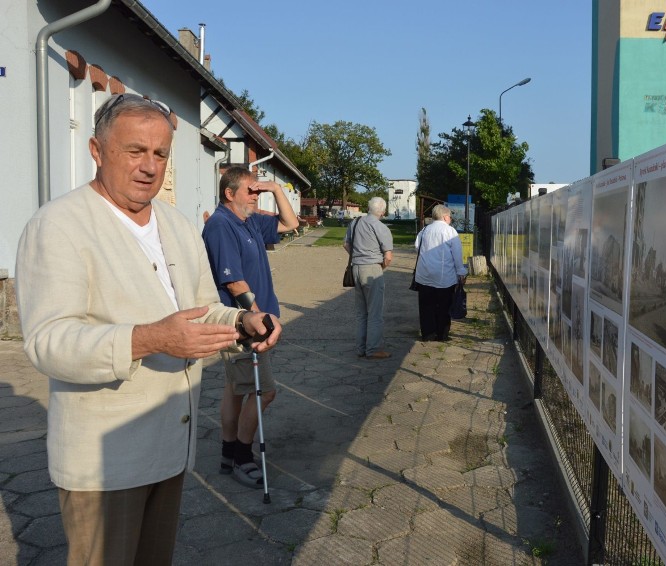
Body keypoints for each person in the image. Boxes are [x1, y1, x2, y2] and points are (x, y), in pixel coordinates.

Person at [15, 93, 281, 565]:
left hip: (171, 448)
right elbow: (48, 343)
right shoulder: (58, 225)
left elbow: (201, 309)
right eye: (135, 151)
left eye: (160, 154)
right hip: (106, 463)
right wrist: (151, 338)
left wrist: (242, 320)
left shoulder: (176, 225)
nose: (149, 166)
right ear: (97, 151)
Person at [202, 166, 299, 488]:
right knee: (264, 391)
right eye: (251, 191)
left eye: (258, 192)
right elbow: (233, 282)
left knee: (236, 390)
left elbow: (291, 223)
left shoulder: (250, 220)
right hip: (243, 324)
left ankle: (228, 454)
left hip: (251, 321)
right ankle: (244, 456)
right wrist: (258, 318)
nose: (256, 197)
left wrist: (275, 189)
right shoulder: (220, 225)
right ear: (230, 194)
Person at [343, 197, 394, 359]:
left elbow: (346, 244)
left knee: (361, 313)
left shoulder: (355, 223)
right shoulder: (381, 227)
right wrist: (380, 267)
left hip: (356, 268)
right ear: (383, 211)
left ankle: (361, 348)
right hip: (372, 269)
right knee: (375, 313)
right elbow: (388, 256)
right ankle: (373, 349)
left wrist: (358, 256)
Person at [414, 205, 467, 341]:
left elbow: (417, 247)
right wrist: (461, 272)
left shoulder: (424, 230)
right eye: (449, 216)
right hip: (444, 276)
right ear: (444, 216)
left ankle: (427, 333)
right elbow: (457, 254)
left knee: (426, 306)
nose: (450, 219)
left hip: (424, 275)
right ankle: (442, 333)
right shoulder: (450, 232)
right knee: (444, 305)